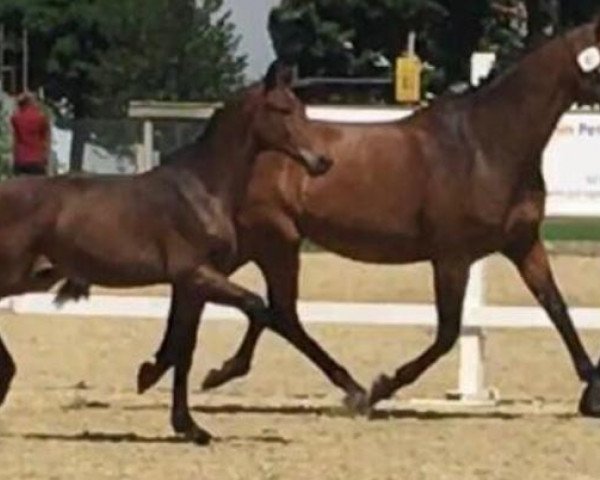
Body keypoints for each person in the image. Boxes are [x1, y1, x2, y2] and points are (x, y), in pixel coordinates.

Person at [10, 92, 50, 176]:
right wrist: (46, 157)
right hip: (37, 159)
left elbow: (16, 140)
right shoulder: (41, 118)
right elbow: (46, 140)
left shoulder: (15, 118)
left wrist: (14, 158)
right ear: (31, 102)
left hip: (21, 159)